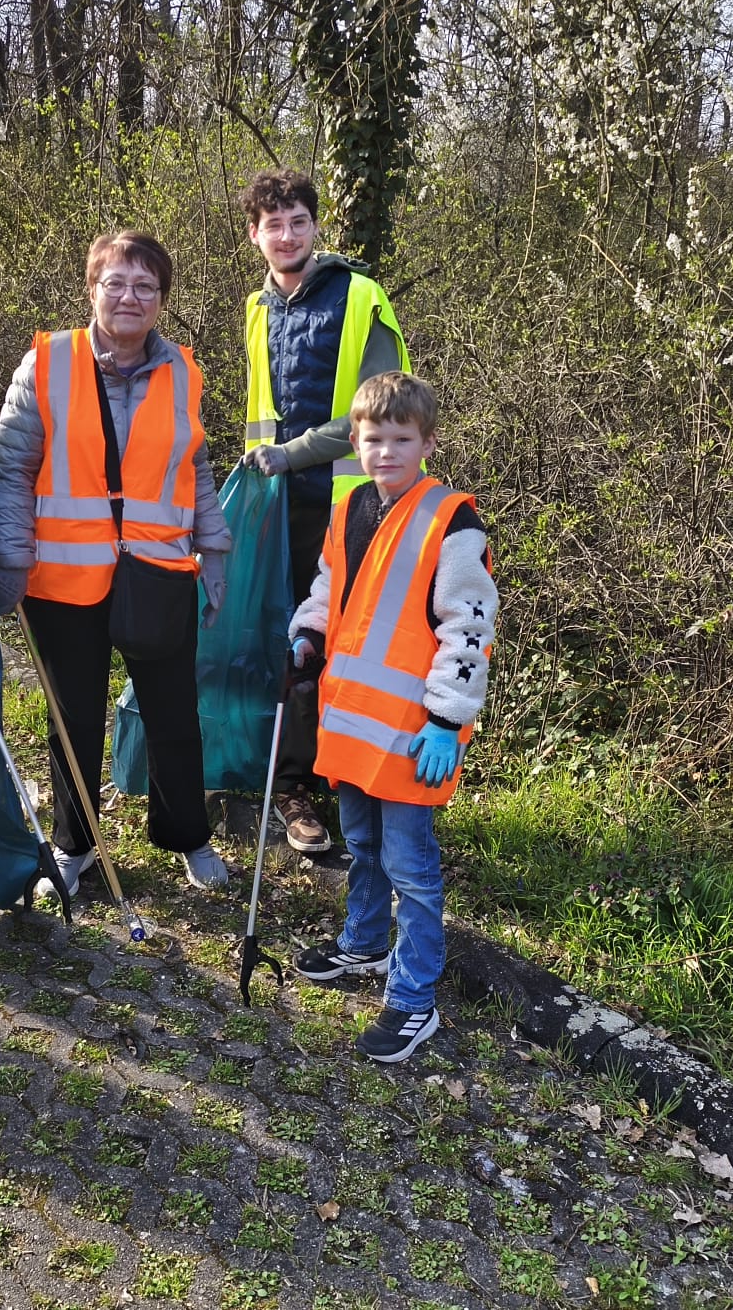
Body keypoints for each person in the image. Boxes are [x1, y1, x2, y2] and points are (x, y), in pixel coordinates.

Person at [0, 231, 232, 892]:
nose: (130, 297)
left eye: (146, 286)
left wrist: (213, 549)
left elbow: (197, 470)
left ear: (161, 300)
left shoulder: (183, 370)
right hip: (64, 577)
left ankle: (188, 837)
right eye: (116, 283)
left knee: (174, 713)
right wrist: (12, 558)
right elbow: (11, 470)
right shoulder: (44, 365)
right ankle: (76, 845)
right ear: (92, 288)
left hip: (159, 571)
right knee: (74, 718)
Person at [288, 372, 496, 1063]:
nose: (385, 452)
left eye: (401, 440)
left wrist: (447, 720)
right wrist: (308, 632)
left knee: (411, 866)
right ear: (356, 441)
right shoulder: (349, 508)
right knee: (363, 846)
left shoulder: (451, 520)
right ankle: (364, 945)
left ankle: (413, 1001)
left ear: (428, 442)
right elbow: (330, 586)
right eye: (374, 439)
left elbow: (469, 626)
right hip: (351, 723)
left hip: (413, 733)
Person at [237, 167, 411, 857]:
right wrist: (257, 477)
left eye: (298, 221)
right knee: (287, 647)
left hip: (356, 505)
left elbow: (381, 411)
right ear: (255, 235)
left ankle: (350, 783)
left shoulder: (360, 297)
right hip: (278, 510)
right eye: (272, 224)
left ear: (316, 226)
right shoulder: (257, 307)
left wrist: (290, 455)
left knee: (347, 651)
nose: (286, 234)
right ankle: (293, 787)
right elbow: (259, 418)